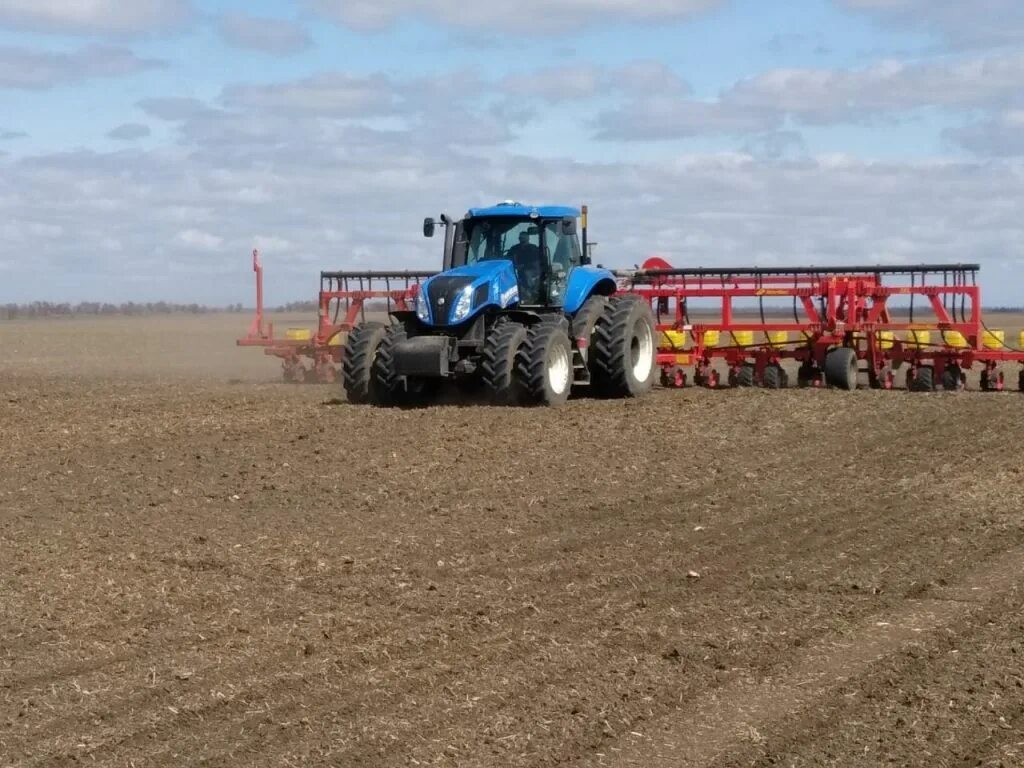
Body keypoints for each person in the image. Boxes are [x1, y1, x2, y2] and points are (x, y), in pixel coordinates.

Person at [506, 229, 543, 303]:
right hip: (515, 270)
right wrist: (515, 266)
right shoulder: (514, 249)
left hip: (533, 270)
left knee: (527, 273)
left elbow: (537, 262)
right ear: (519, 238)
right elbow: (508, 258)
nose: (522, 239)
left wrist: (523, 266)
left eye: (524, 237)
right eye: (521, 237)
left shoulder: (533, 248)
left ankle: (532, 291)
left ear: (528, 238)